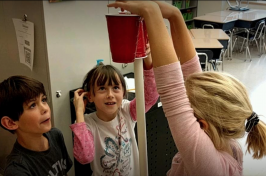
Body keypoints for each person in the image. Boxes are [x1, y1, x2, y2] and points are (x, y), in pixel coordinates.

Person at [108, 1, 266, 176]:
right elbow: (193, 73)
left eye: (189, 109)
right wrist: (175, 16)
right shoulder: (228, 144)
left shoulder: (209, 167)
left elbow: (172, 92)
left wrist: (150, 12)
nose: (185, 105)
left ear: (201, 124)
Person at [70, 43, 159, 175]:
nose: (110, 94)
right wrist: (79, 112)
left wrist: (148, 62)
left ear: (123, 92)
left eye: (116, 88)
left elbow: (150, 97)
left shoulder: (126, 110)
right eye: (102, 88)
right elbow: (84, 157)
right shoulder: (88, 124)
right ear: (90, 96)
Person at [0, 76, 73, 176]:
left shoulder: (56, 135)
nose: (45, 108)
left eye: (43, 100)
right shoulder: (17, 169)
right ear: (10, 123)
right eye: (33, 105)